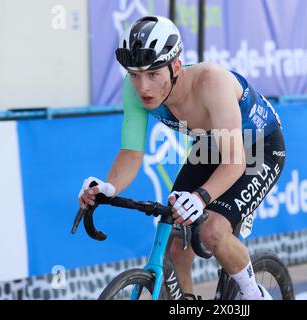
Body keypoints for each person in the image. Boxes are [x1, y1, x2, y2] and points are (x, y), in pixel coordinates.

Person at [78, 16, 285, 300]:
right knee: (176, 242)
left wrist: (200, 197)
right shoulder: (134, 90)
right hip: (210, 145)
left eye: (153, 74)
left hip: (258, 147)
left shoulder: (211, 81)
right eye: (135, 75)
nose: (143, 87)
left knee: (213, 229)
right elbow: (131, 153)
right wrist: (108, 187)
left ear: (176, 66)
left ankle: (254, 295)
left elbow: (235, 161)